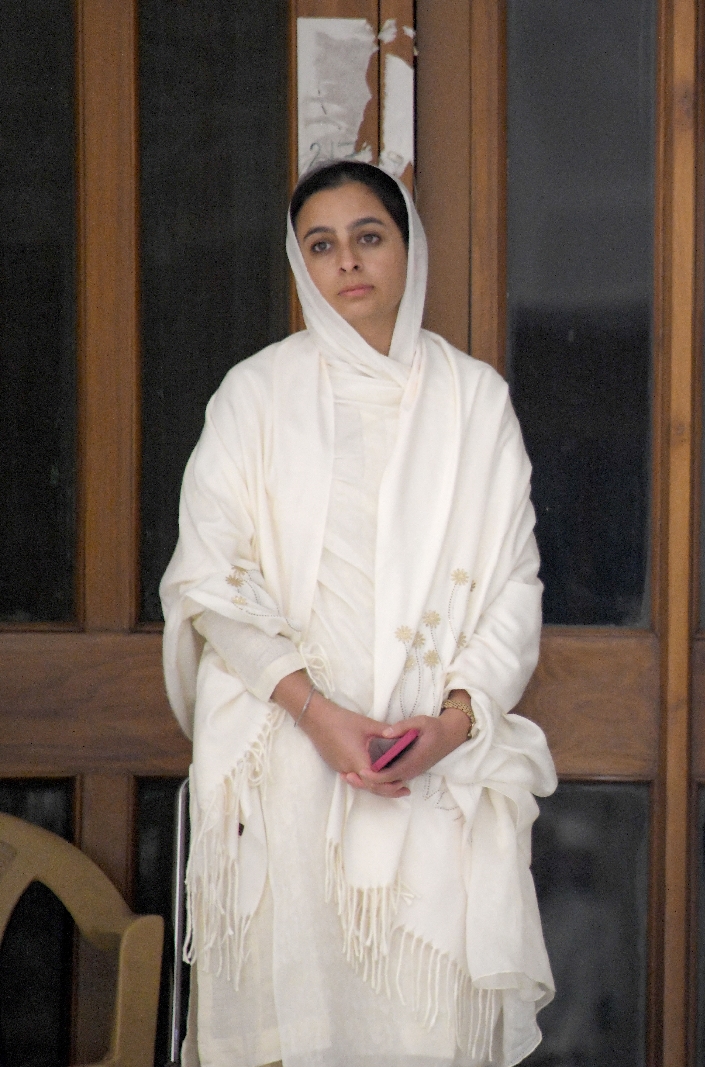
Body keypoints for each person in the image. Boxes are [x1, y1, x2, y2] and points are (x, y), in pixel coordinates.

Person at [161, 159, 556, 1067]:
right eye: (321, 245)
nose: (347, 262)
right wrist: (318, 714)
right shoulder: (254, 395)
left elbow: (514, 586)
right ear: (300, 264)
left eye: (368, 236)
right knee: (292, 1021)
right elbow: (211, 579)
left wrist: (453, 723)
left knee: (420, 1030)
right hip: (287, 760)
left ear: (408, 247)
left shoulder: (473, 400)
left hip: (427, 768)